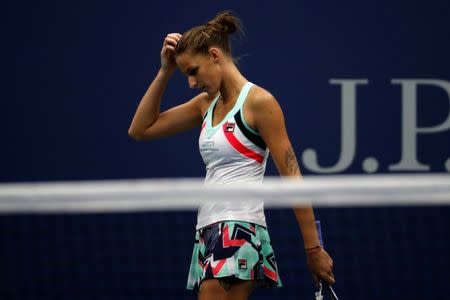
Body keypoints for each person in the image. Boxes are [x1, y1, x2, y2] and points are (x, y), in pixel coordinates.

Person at [128, 10, 335, 300]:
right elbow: (140, 129)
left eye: (192, 71)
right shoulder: (205, 104)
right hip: (208, 229)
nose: (190, 82)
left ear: (214, 55)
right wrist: (165, 70)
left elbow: (292, 177)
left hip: (238, 228)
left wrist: (313, 249)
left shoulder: (259, 102)